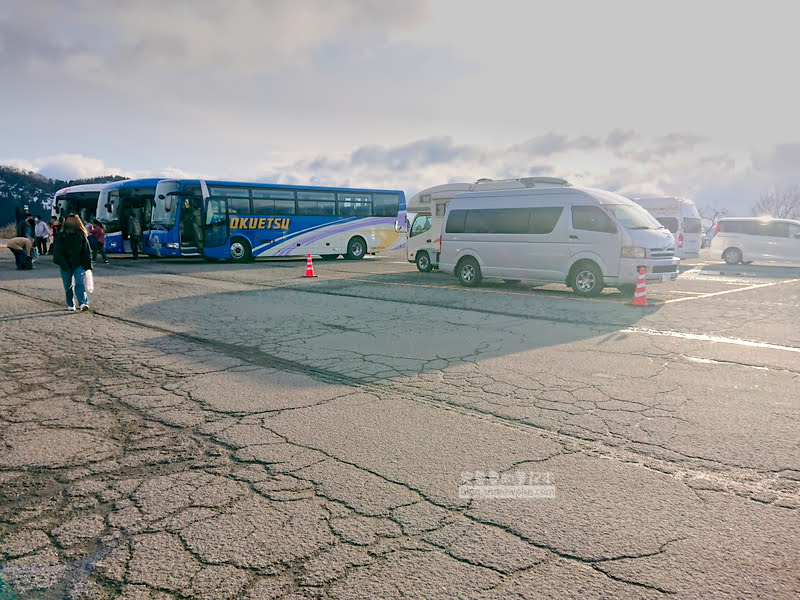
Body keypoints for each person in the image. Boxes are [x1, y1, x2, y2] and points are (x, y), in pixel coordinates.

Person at [52, 214, 92, 311]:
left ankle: (83, 303)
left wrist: (88, 266)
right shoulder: (60, 236)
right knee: (68, 285)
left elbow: (86, 251)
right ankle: (70, 304)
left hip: (78, 264)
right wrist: (62, 263)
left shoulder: (81, 235)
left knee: (79, 283)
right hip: (65, 264)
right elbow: (57, 251)